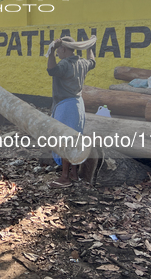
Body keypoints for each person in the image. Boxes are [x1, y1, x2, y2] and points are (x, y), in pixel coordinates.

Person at [47, 36, 96, 188]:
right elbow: (92, 62)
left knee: (64, 140)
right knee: (74, 140)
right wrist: (89, 47)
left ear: (63, 49)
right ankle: (74, 174)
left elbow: (51, 70)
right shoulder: (81, 62)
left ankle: (64, 177)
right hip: (78, 105)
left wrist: (51, 51)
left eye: (58, 51)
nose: (57, 54)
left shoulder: (65, 64)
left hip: (66, 106)